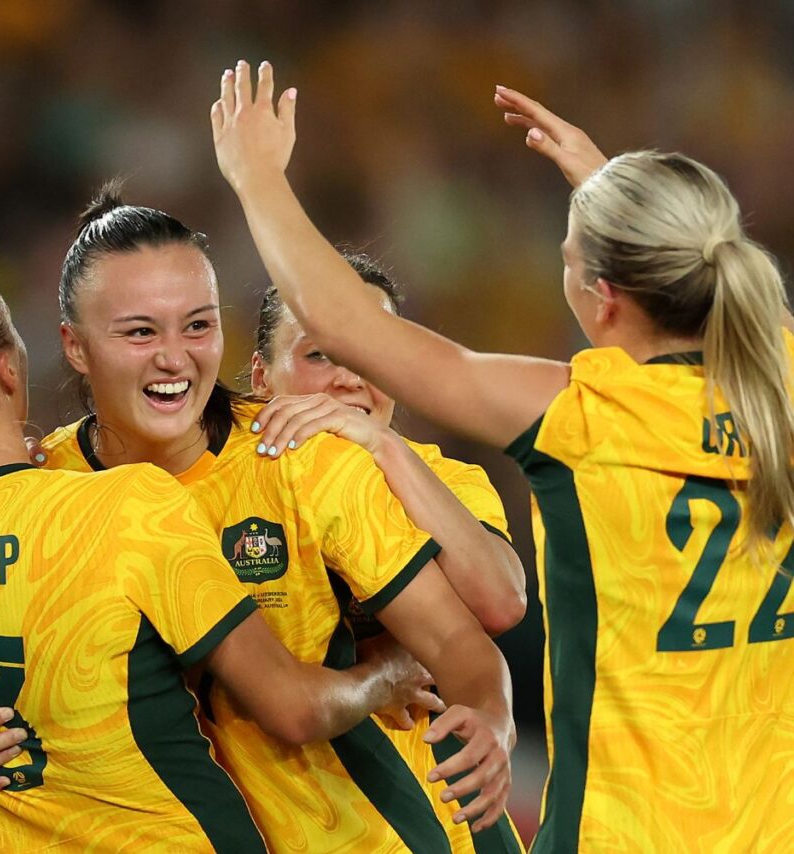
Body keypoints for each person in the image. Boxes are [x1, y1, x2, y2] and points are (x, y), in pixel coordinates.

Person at [211, 60, 794, 852]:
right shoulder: (780, 381)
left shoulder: (583, 415)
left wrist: (258, 180)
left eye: (566, 258)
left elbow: (346, 327)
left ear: (604, 296)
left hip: (627, 831)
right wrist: (609, 190)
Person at [0, 186, 517, 851]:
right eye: (140, 331)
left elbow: (460, 647)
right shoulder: (44, 489)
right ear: (75, 345)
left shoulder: (301, 462)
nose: (174, 357)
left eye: (198, 324)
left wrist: (491, 720)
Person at [248, 255, 527, 852]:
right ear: (260, 377)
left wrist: (382, 445)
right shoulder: (213, 486)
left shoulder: (449, 479)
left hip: (437, 809)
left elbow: (501, 601)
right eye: (319, 354)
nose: (349, 377)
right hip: (291, 814)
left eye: (370, 353)